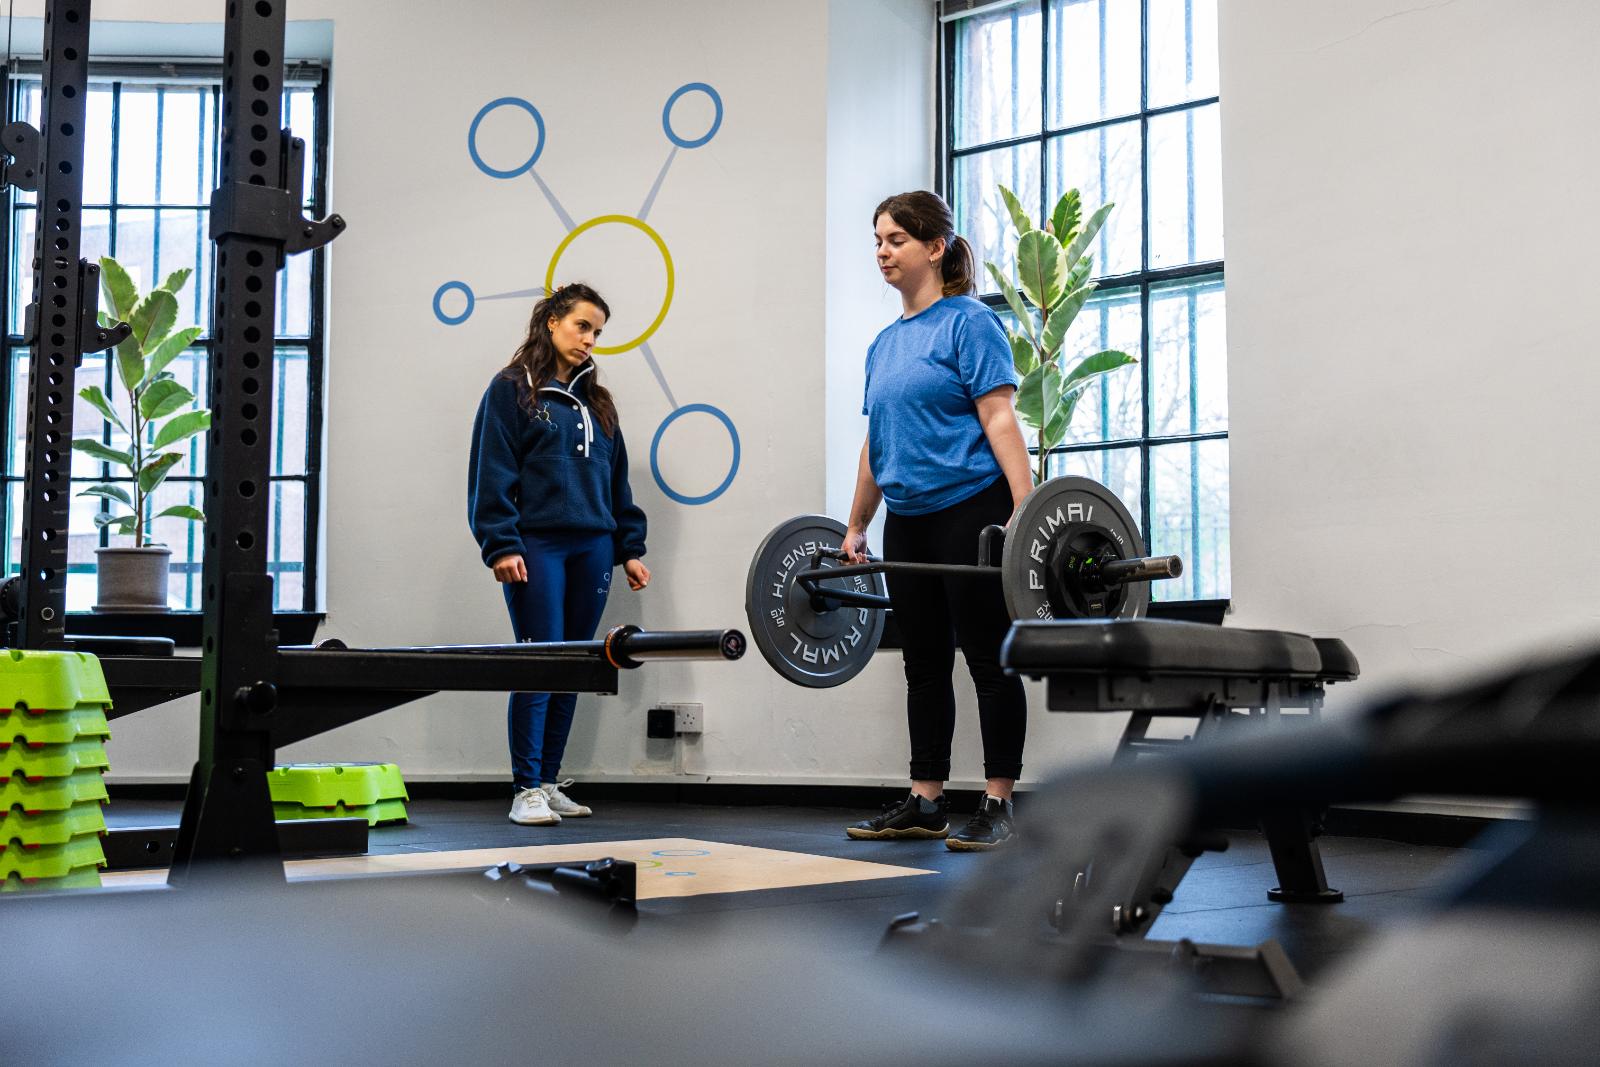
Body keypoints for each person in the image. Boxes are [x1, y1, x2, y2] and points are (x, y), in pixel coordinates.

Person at [842, 191, 1034, 851]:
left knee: (988, 658)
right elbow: (877, 442)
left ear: (935, 247)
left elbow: (999, 417)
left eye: (896, 238)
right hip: (910, 518)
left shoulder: (968, 323)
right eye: (877, 240)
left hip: (971, 509)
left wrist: (1023, 509)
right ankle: (926, 800)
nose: (883, 251)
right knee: (922, 663)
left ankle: (999, 801)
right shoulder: (884, 345)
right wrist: (857, 524)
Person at [468, 283, 650, 826]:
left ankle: (548, 782)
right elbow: (491, 470)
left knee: (573, 667)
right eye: (582, 326)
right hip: (537, 546)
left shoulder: (599, 402)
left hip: (592, 548)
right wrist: (501, 543)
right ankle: (524, 788)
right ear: (551, 321)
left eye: (597, 332)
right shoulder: (511, 390)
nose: (590, 340)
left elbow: (616, 484)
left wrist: (629, 548)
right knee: (538, 661)